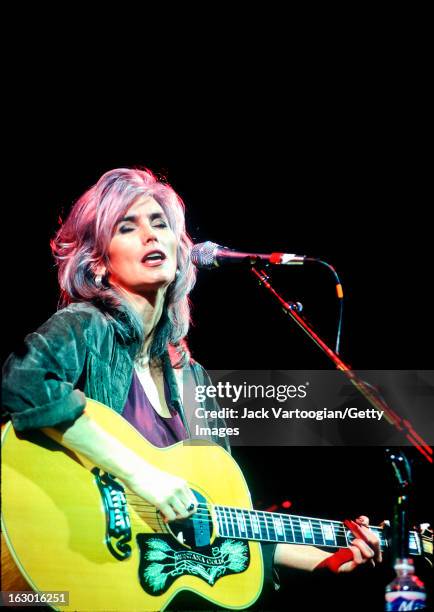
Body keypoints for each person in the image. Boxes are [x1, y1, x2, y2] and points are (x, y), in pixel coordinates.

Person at [2, 167, 381, 610]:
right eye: (128, 227)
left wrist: (325, 560)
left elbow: (220, 517)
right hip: (53, 574)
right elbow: (23, 382)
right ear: (99, 263)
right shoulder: (87, 327)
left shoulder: (192, 377)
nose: (150, 235)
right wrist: (143, 476)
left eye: (159, 224)